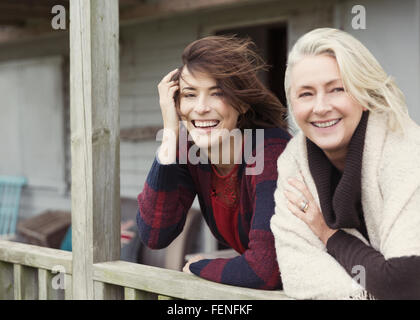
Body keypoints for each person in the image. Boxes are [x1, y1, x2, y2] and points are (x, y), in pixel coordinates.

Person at [270, 27, 420, 299]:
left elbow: (404, 283)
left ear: (364, 96)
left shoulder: (406, 150)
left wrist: (329, 235)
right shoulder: (292, 164)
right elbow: (301, 275)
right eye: (305, 94)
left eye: (336, 89)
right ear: (292, 104)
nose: (321, 107)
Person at [137, 35, 291, 289]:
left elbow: (265, 270)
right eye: (189, 94)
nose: (201, 107)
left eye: (217, 93)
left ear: (241, 102)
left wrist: (198, 265)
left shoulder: (270, 152)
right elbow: (155, 234)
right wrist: (170, 136)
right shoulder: (190, 152)